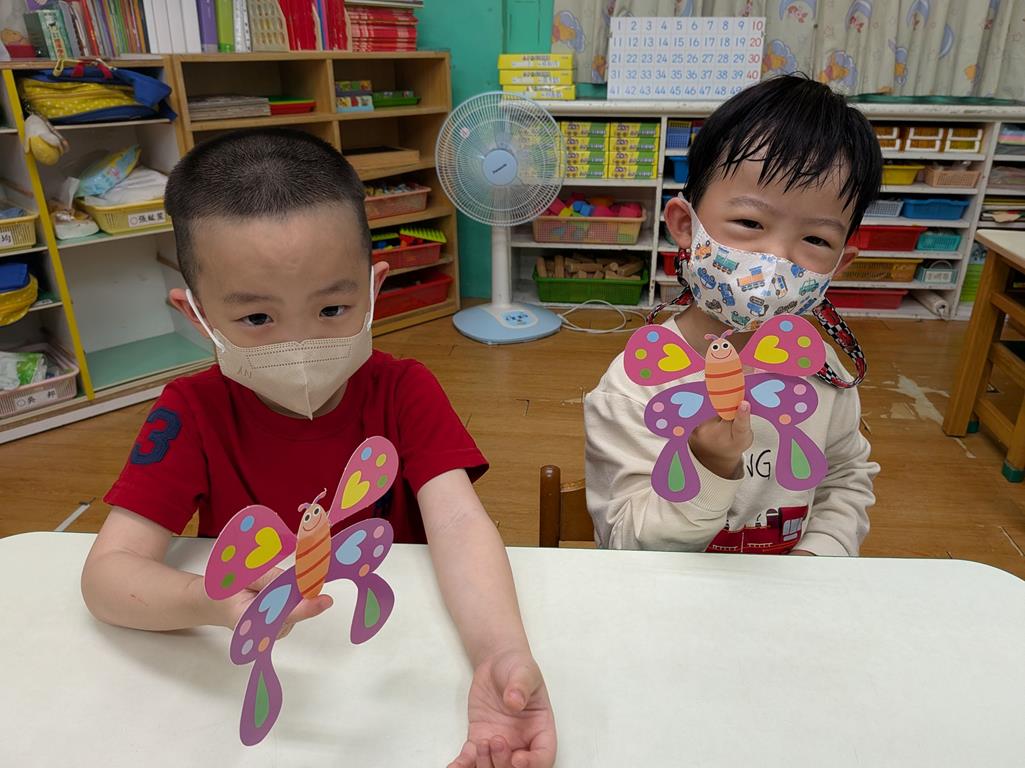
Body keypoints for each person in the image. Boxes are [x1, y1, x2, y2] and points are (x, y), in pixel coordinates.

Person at [81, 128, 556, 768]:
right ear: (197, 317)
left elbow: (458, 523)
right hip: (268, 691)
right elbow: (108, 576)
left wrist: (500, 652)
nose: (299, 343)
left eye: (333, 308)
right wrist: (207, 601)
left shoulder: (404, 389)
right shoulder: (189, 413)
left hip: (398, 663)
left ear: (373, 289)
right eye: (257, 318)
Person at [586, 75, 882, 556]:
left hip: (789, 592)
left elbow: (845, 478)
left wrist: (819, 555)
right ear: (686, 225)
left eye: (816, 239)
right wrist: (707, 466)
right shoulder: (636, 386)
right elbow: (625, 543)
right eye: (749, 222)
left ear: (839, 264)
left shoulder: (824, 373)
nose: (775, 257)